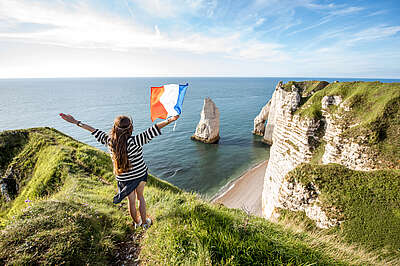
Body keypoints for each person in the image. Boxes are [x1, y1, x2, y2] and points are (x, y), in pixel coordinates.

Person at [59, 113, 179, 228]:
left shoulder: (109, 141)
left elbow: (93, 130)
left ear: (115, 128)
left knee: (131, 202)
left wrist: (75, 122)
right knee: (140, 197)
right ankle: (145, 224)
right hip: (139, 174)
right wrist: (170, 119)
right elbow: (153, 129)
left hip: (123, 178)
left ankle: (137, 222)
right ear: (130, 127)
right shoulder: (136, 141)